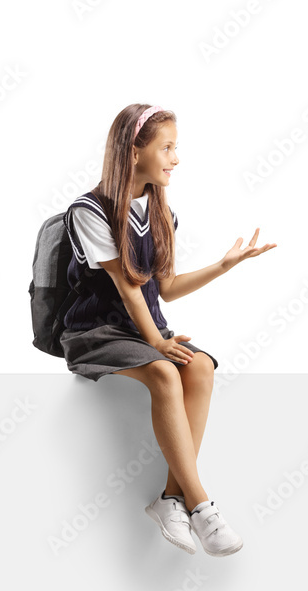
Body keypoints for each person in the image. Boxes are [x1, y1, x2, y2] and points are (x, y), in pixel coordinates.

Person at [59, 104, 275, 557]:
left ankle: (170, 499)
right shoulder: (89, 210)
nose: (176, 158)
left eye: (176, 147)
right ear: (133, 152)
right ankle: (202, 506)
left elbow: (167, 289)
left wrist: (223, 266)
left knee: (200, 368)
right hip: (96, 331)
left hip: (143, 332)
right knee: (163, 371)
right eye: (167, 147)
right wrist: (156, 342)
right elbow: (128, 287)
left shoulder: (161, 211)